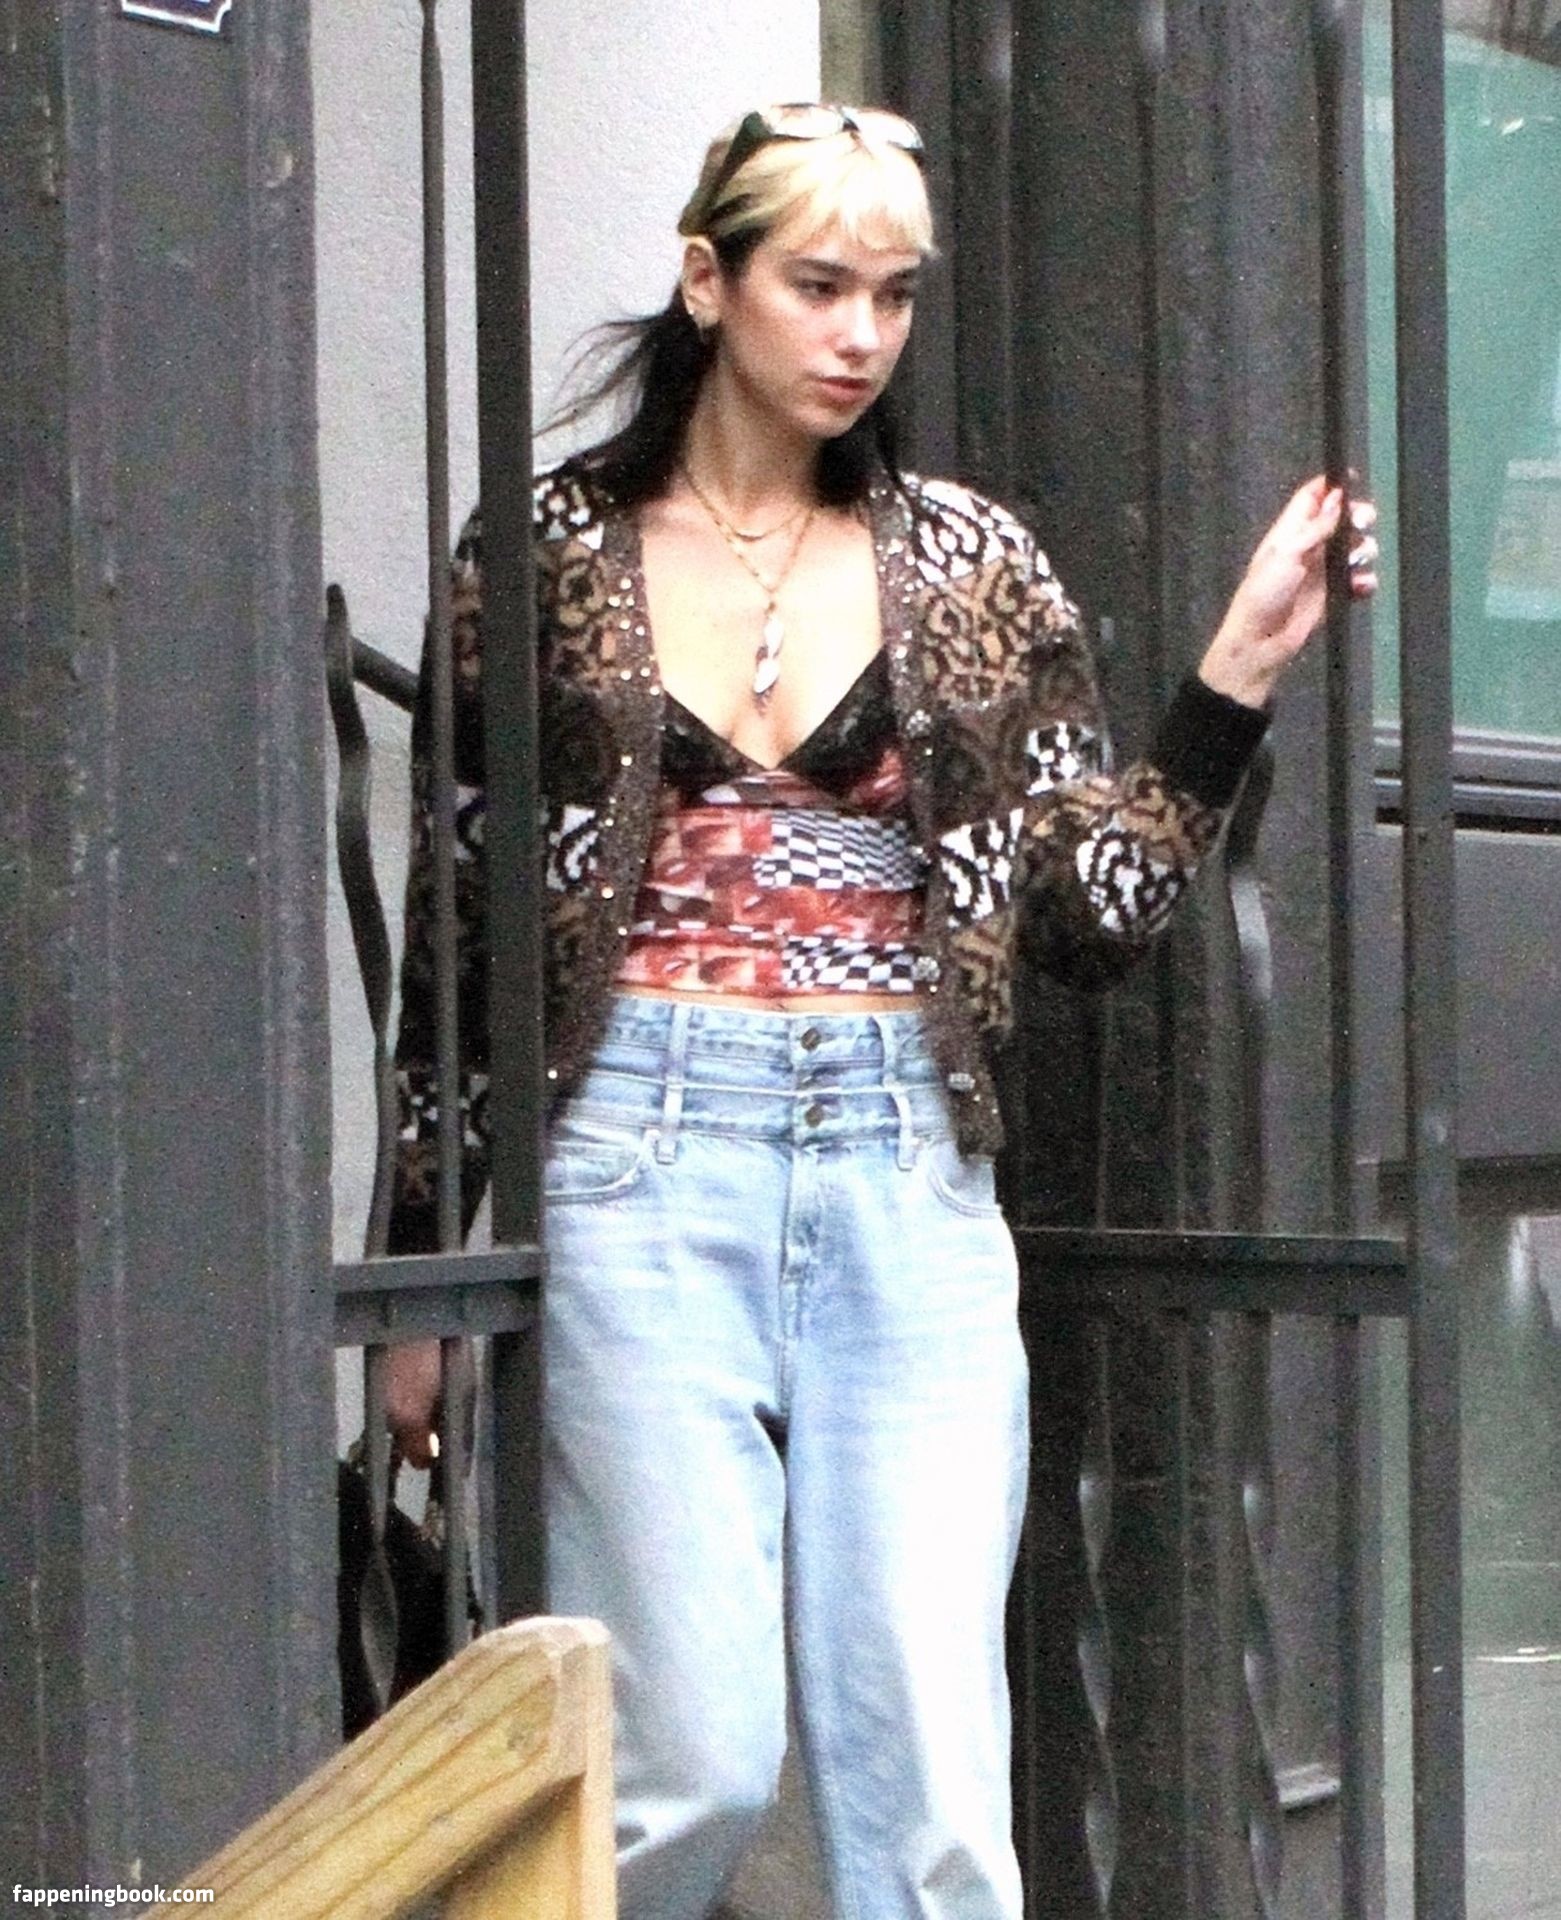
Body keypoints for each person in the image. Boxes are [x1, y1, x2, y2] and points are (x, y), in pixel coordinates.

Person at [383, 102, 1378, 1920]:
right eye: (819, 285)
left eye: (894, 296)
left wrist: (1234, 672)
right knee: (680, 1766)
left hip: (903, 1167)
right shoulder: (539, 557)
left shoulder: (973, 564)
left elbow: (1089, 919)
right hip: (636, 1162)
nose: (860, 335)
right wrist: (415, 1276)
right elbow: (460, 935)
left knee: (931, 1799)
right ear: (709, 281)